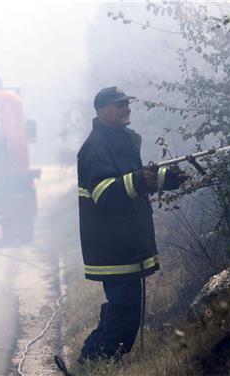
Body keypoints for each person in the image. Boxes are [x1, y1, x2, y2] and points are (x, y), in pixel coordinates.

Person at [77, 86, 188, 363]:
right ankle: (102, 359)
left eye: (127, 103)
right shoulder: (96, 147)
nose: (127, 108)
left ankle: (92, 357)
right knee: (125, 305)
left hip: (125, 239)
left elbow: (136, 180)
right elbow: (105, 193)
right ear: (102, 111)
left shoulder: (121, 140)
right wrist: (140, 180)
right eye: (119, 105)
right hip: (111, 244)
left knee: (123, 304)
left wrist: (166, 179)